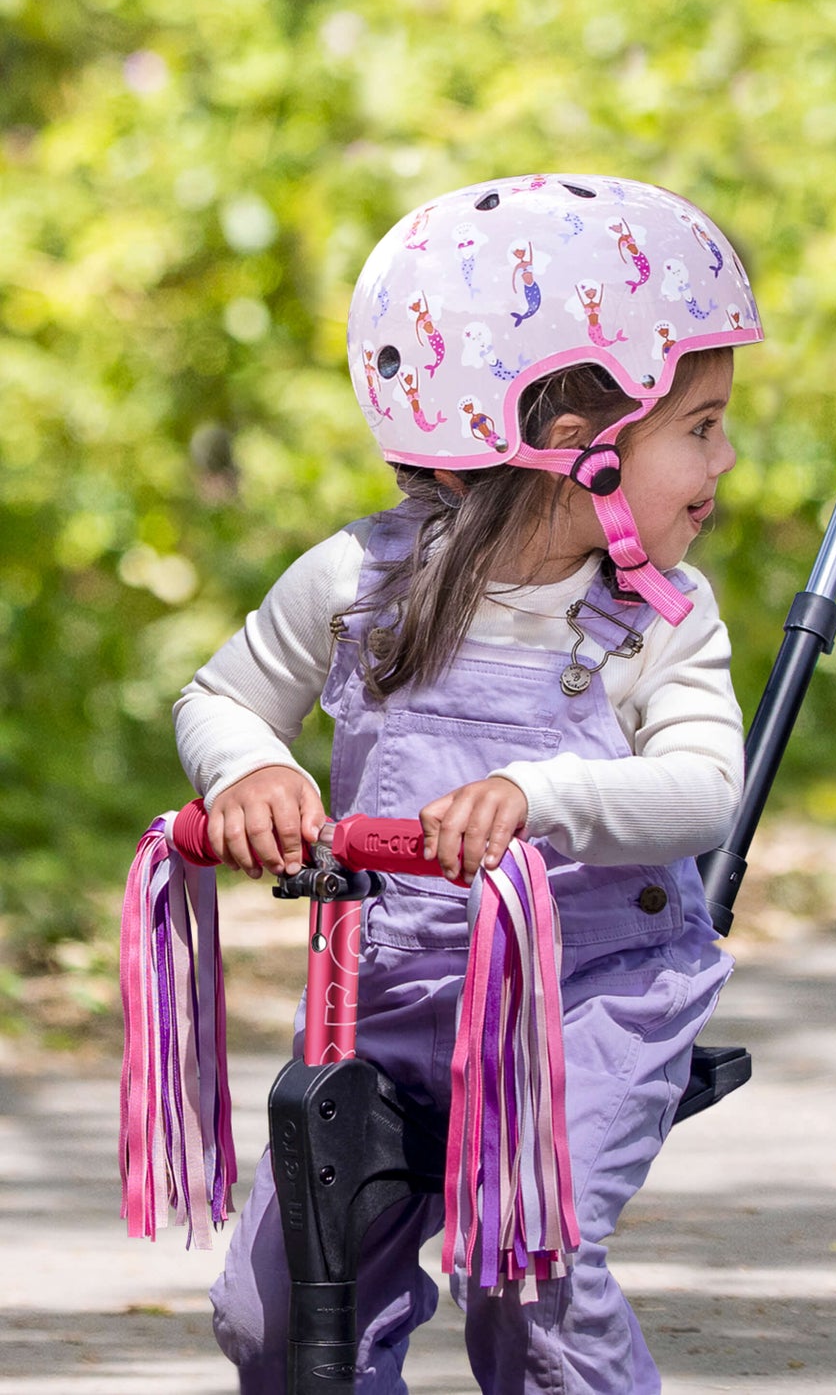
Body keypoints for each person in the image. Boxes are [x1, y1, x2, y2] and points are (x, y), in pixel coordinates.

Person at [175, 174, 763, 1392]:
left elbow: (703, 786)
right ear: (570, 448)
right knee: (277, 1308)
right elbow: (220, 696)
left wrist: (540, 793)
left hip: (587, 998)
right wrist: (251, 771)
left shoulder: (659, 615)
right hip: (385, 1001)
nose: (726, 457)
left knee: (528, 1265)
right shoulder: (355, 582)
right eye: (698, 425)